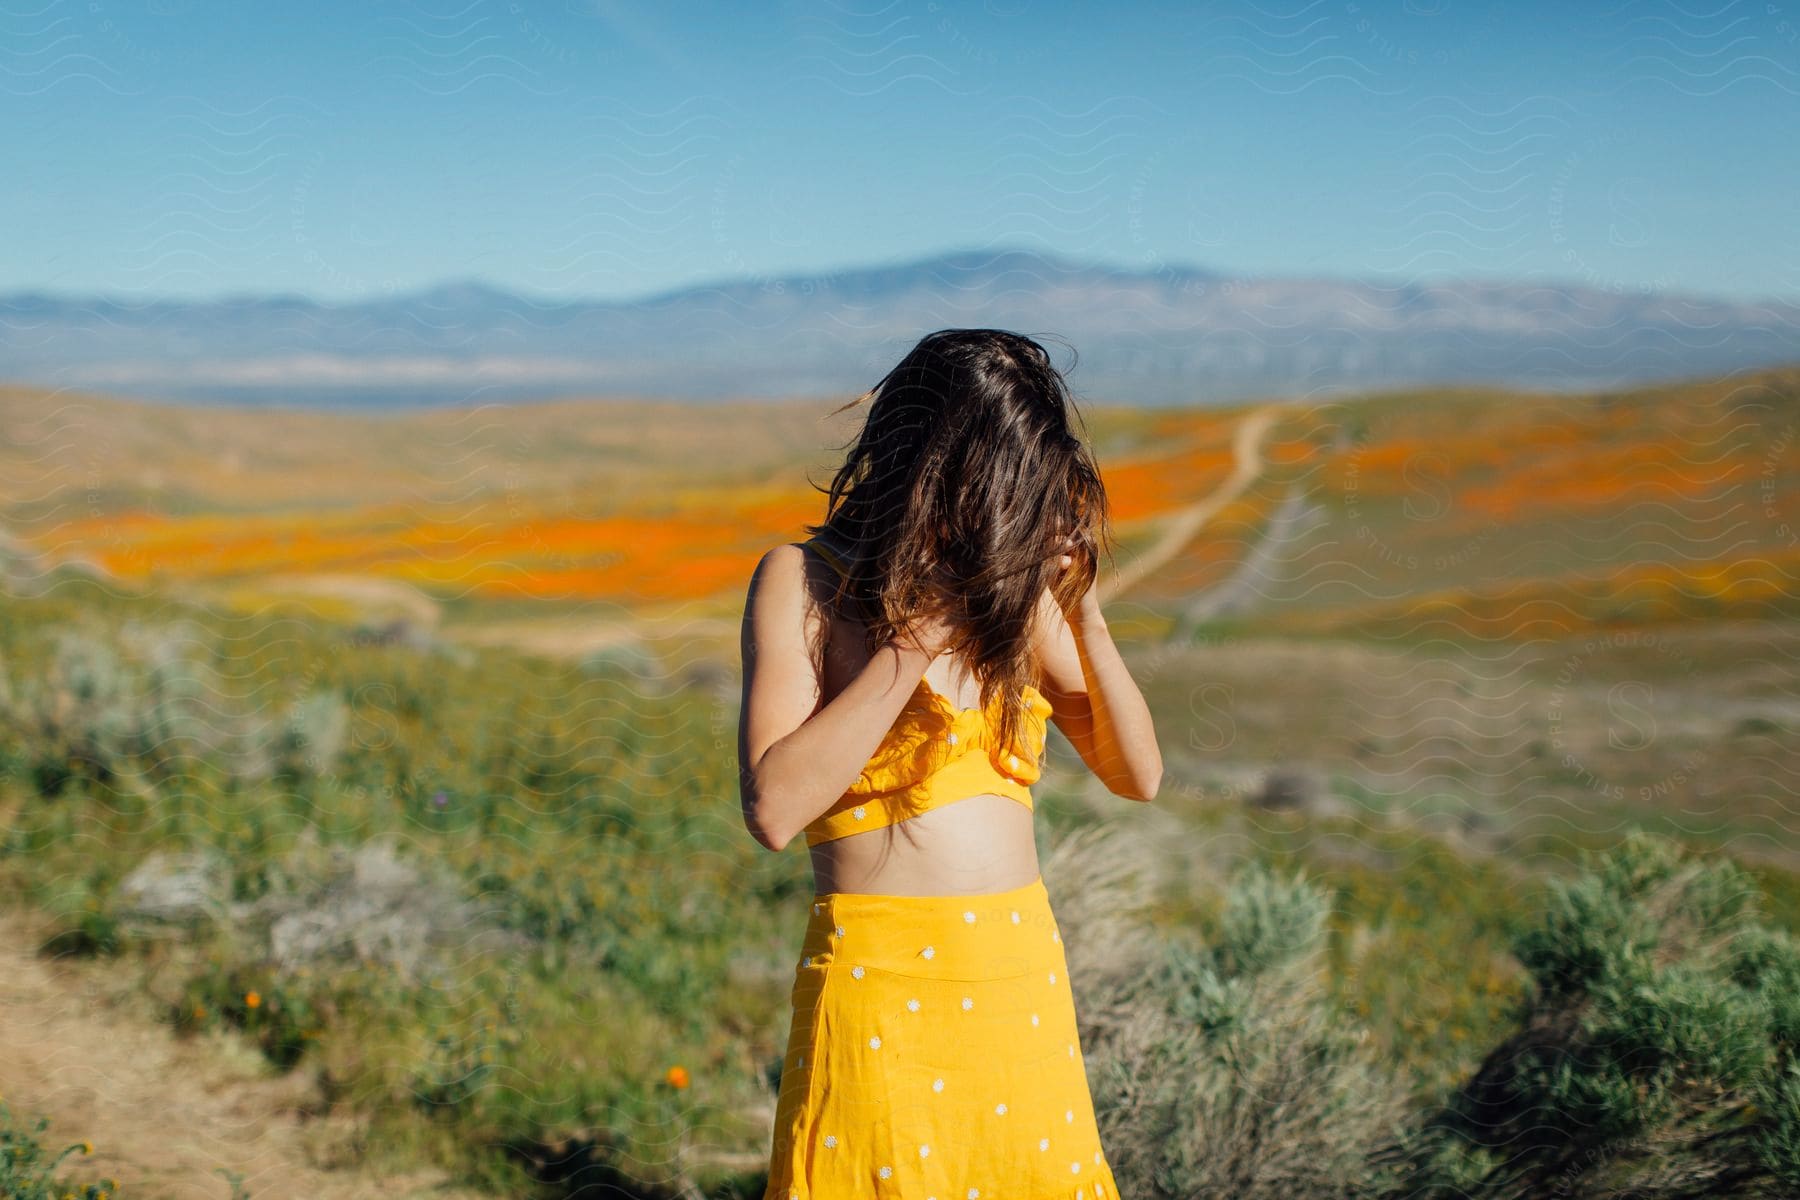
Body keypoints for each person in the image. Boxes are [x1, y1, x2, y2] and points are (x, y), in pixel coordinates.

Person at [737, 328, 1162, 1199]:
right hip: (878, 983)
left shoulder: (1021, 601)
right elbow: (775, 808)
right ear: (937, 468)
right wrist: (918, 640)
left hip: (1017, 981)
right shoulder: (805, 582)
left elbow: (1138, 775)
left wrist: (1082, 614)